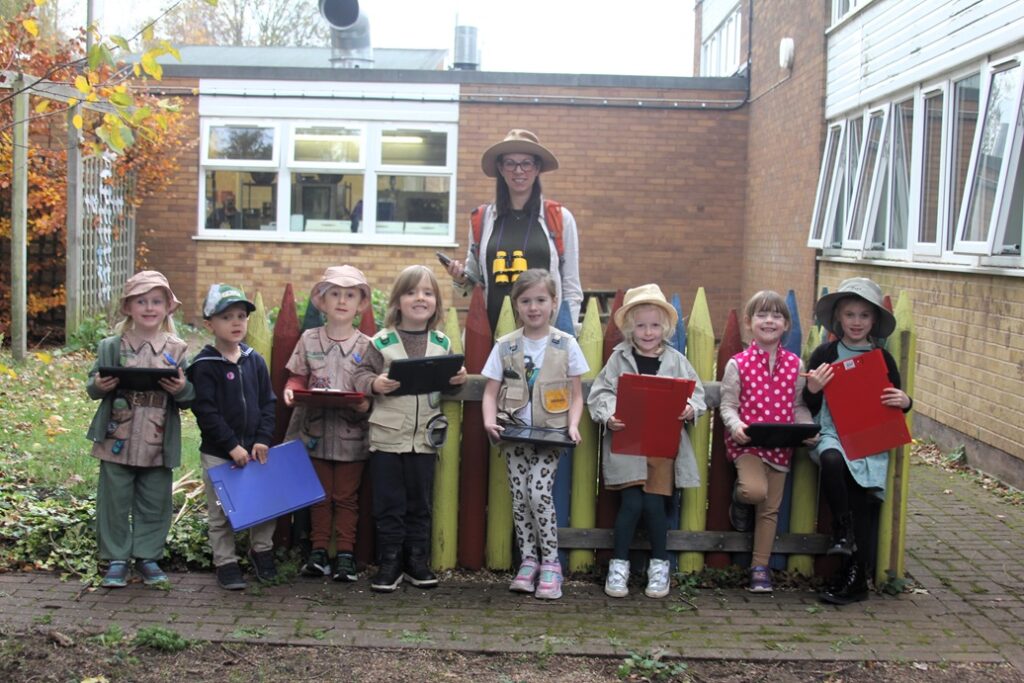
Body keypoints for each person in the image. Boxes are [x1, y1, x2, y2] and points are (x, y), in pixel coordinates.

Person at [352, 265, 467, 593]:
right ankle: (389, 562)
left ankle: (417, 560)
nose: (420, 298)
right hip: (388, 438)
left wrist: (458, 380)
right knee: (389, 503)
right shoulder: (382, 341)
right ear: (397, 301)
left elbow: (450, 385)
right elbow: (359, 375)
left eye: (428, 293)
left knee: (420, 502)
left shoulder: (442, 342)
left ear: (436, 302)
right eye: (412, 292)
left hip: (425, 439)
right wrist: (375, 383)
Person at [587, 284, 705, 599]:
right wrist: (610, 415)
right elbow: (600, 393)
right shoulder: (618, 360)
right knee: (632, 503)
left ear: (665, 328)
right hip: (629, 444)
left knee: (654, 504)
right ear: (630, 328)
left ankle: (659, 564)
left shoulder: (677, 360)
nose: (648, 332)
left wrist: (689, 407)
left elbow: (698, 395)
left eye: (654, 325)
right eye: (641, 325)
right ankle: (619, 564)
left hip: (662, 446)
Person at [480, 269, 588, 600]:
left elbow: (576, 394)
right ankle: (528, 561)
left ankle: (551, 564)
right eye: (526, 301)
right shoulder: (505, 345)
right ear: (516, 305)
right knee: (519, 497)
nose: (534, 307)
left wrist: (572, 425)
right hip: (514, 436)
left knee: (538, 493)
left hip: (550, 436)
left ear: (554, 302)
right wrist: (488, 421)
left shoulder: (565, 344)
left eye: (541, 300)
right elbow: (489, 392)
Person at [803, 277, 912, 605]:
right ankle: (841, 530)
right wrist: (813, 389)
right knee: (832, 459)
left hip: (868, 438)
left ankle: (854, 578)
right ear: (838, 317)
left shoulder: (883, 359)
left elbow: (894, 402)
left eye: (864, 316)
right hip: (833, 431)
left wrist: (905, 402)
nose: (856, 322)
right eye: (850, 315)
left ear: (874, 321)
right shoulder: (825, 353)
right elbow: (810, 407)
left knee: (860, 503)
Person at [85, 271, 194, 588]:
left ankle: (148, 557)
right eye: (141, 301)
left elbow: (189, 397)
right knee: (114, 501)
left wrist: (181, 388)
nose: (149, 307)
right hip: (115, 438)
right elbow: (92, 386)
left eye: (156, 301)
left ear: (167, 308)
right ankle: (116, 559)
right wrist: (99, 384)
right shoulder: (111, 346)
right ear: (129, 307)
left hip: (158, 440)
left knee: (154, 500)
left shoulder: (177, 349)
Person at [719, 290, 817, 594]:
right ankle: (739, 501)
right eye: (762, 315)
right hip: (748, 444)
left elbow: (798, 405)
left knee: (769, 511)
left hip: (781, 446)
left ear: (786, 324)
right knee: (754, 491)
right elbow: (728, 405)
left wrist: (806, 428)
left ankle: (759, 568)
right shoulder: (738, 364)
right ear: (749, 323)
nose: (769, 321)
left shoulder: (794, 364)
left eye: (776, 315)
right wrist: (735, 426)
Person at [282, 265, 373, 583]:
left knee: (346, 496)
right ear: (322, 300)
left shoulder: (367, 346)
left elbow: (373, 388)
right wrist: (291, 389)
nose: (342, 301)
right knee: (318, 493)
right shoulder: (309, 339)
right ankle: (318, 551)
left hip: (352, 435)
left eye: (350, 295)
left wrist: (366, 403)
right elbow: (297, 375)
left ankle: (345, 554)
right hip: (315, 433)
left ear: (361, 304)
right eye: (335, 294)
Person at [443, 129, 583, 333]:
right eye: (510, 163)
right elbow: (473, 282)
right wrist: (460, 277)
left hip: (545, 337)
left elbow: (571, 286)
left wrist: (564, 336)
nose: (518, 171)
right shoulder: (482, 219)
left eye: (526, 163)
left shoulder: (560, 218)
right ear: (500, 168)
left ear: (537, 168)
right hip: (492, 335)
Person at [188, 284, 278, 590]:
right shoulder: (204, 365)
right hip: (219, 452)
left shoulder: (255, 361)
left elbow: (268, 402)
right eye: (227, 317)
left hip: (256, 451)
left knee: (265, 505)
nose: (237, 322)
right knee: (220, 512)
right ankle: (225, 562)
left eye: (241, 315)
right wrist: (231, 446)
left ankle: (261, 551)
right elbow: (206, 412)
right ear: (210, 324)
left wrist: (262, 438)